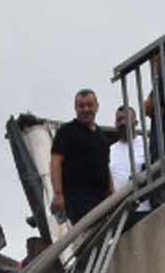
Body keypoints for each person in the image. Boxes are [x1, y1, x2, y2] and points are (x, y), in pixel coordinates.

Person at [48, 87, 121, 228]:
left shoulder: (101, 137)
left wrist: (113, 193)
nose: (86, 109)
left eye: (89, 105)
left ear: (97, 107)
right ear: (76, 108)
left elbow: (106, 166)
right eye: (81, 106)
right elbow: (55, 161)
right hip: (78, 199)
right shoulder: (67, 131)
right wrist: (58, 194)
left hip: (102, 199)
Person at [107, 104, 141, 196]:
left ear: (136, 122)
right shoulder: (109, 150)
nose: (122, 123)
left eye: (126, 119)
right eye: (119, 120)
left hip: (146, 206)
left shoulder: (147, 144)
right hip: (120, 208)